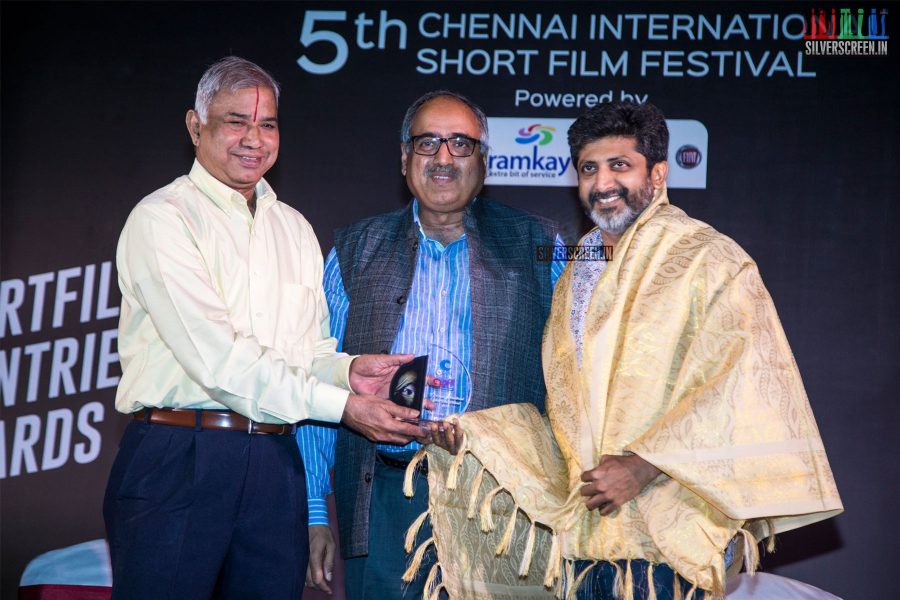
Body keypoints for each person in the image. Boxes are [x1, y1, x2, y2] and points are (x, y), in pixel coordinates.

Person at [426, 102, 843, 599]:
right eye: (588, 169)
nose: (602, 183)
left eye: (619, 165)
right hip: (587, 532)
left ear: (659, 173)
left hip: (673, 526)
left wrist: (643, 465)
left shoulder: (709, 258)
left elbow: (741, 383)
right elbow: (565, 409)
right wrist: (476, 436)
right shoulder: (575, 271)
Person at [103, 56, 425, 600]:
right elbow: (221, 360)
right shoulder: (163, 219)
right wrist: (342, 406)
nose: (255, 138)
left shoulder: (294, 227)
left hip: (277, 462)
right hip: (181, 456)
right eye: (236, 121)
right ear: (195, 125)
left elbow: (307, 351)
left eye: (268, 124)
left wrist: (351, 373)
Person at [297, 90, 565, 598]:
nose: (443, 158)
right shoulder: (352, 251)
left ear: (484, 161)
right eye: (428, 143)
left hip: (503, 501)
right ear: (404, 158)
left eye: (461, 144)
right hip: (385, 497)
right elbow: (320, 374)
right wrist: (315, 511)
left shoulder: (540, 245)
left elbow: (571, 380)